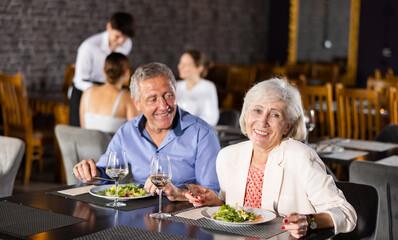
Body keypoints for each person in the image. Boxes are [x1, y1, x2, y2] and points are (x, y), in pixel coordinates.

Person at [185, 78, 357, 238]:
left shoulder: (300, 157)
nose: (263, 121)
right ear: (246, 115)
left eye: (274, 115)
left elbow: (346, 213)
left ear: (287, 126)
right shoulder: (227, 156)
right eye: (257, 110)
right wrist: (215, 202)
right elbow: (238, 214)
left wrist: (310, 221)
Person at [73, 62, 220, 201]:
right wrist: (91, 173)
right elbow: (106, 172)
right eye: (153, 99)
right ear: (137, 103)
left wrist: (179, 193)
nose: (163, 106)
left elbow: (213, 193)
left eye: (168, 95)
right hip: (137, 215)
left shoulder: (202, 133)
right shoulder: (127, 132)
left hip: (186, 217)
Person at [70, 12, 135, 127]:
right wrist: (100, 91)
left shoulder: (127, 44)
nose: (120, 42)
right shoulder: (88, 47)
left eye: (124, 38)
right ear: (109, 27)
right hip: (86, 89)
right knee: (79, 130)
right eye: (117, 36)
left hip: (111, 88)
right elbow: (79, 80)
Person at [79, 52, 139, 133]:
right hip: (114, 145)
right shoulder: (126, 97)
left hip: (86, 145)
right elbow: (136, 132)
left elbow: (83, 128)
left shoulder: (87, 92)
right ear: (127, 72)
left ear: (104, 70)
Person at [176, 50, 219, 126]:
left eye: (186, 64)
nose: (180, 67)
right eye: (180, 63)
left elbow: (212, 119)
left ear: (199, 68)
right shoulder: (177, 86)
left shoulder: (208, 87)